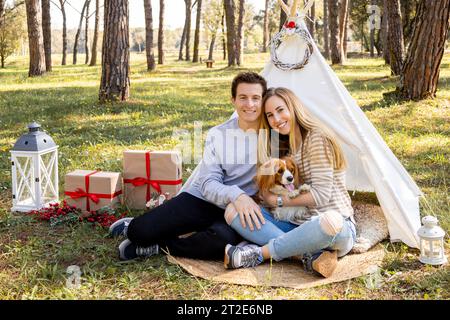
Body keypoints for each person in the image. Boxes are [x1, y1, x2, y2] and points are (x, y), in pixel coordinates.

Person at [109, 72, 268, 261]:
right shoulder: (218, 134)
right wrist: (236, 194)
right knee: (139, 232)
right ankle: (136, 226)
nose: (249, 104)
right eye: (243, 97)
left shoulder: (275, 136)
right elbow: (208, 183)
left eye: (255, 98)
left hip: (240, 210)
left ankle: (161, 247)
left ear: (263, 100)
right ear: (233, 100)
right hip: (205, 200)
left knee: (220, 243)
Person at [223, 87, 357, 277]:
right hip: (296, 225)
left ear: (293, 107)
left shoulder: (316, 138)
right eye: (270, 115)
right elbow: (269, 186)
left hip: (332, 227)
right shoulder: (285, 147)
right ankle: (310, 255)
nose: (276, 119)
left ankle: (258, 254)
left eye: (280, 110)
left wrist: (278, 201)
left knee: (329, 221)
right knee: (233, 211)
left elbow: (321, 195)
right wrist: (264, 196)